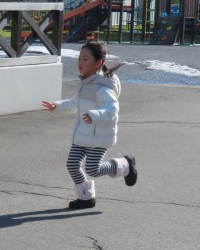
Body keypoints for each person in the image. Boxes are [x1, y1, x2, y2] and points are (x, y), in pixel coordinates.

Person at [41, 41, 137, 209]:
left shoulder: (103, 89)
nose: (80, 62)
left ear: (98, 63)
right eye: (79, 58)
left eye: (85, 59)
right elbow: (74, 103)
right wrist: (56, 106)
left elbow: (112, 110)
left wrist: (94, 115)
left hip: (99, 137)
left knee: (93, 169)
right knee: (72, 165)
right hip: (82, 134)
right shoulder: (85, 84)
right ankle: (86, 197)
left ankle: (124, 164)